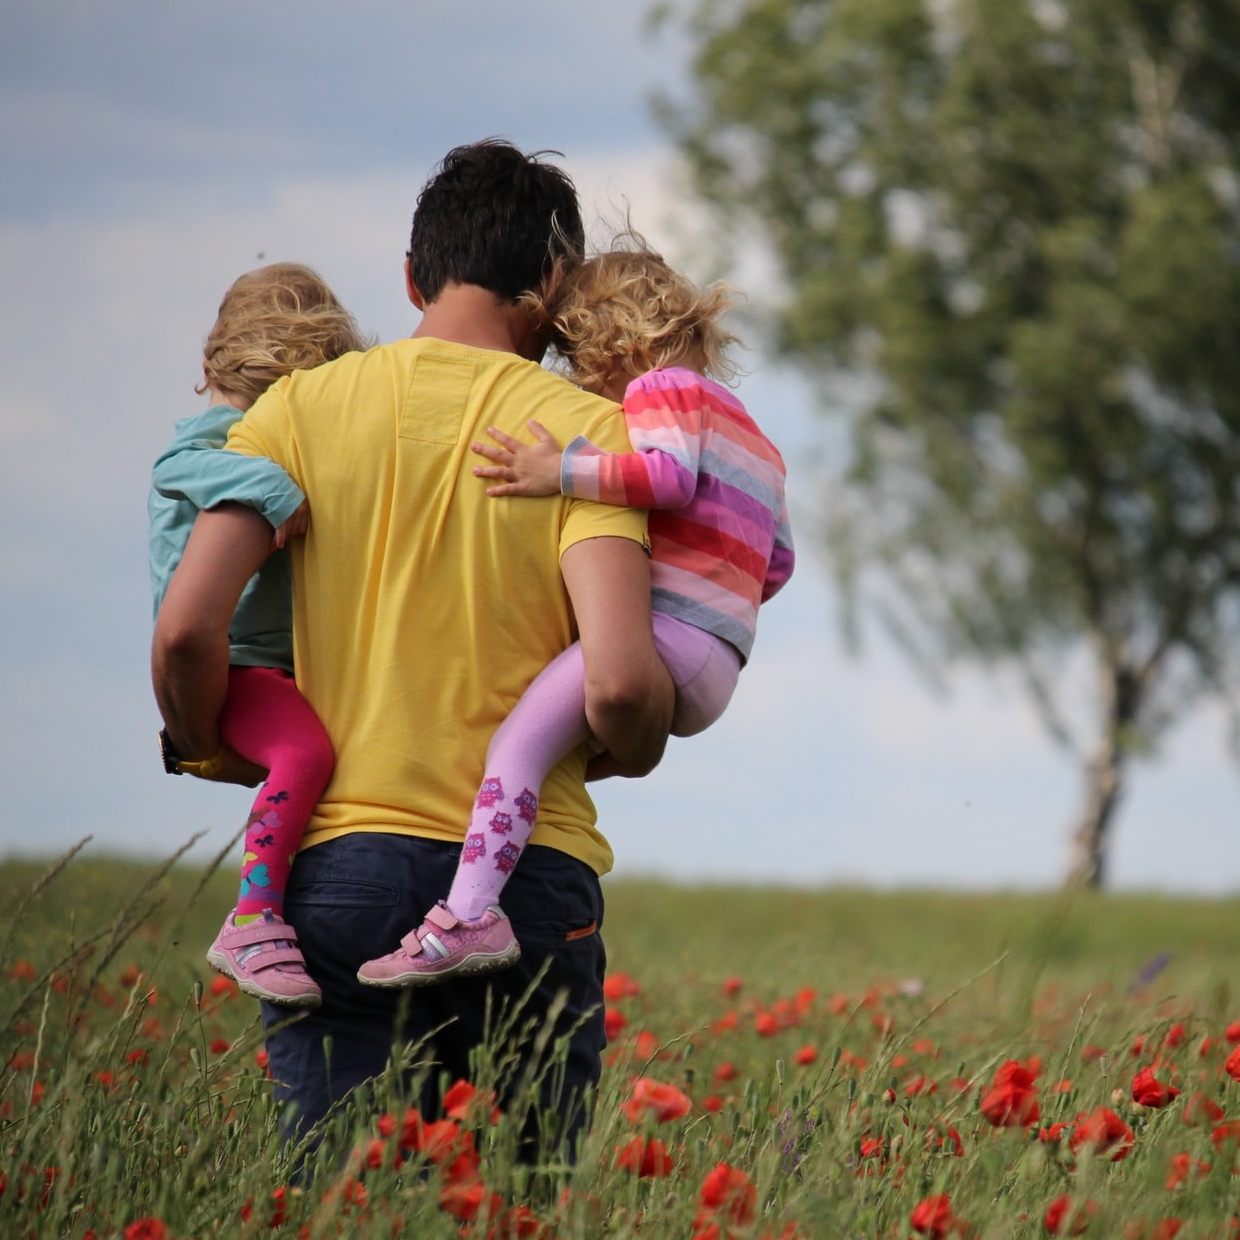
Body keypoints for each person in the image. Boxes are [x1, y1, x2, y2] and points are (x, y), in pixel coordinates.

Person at [150, 140, 675, 1148]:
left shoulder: (295, 412)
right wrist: (639, 739)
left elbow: (184, 627)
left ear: (410, 275)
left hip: (337, 868)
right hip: (526, 881)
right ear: (555, 283)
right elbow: (615, 683)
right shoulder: (587, 437)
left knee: (344, 1199)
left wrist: (210, 740)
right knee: (519, 1206)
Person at [355, 244, 795, 988]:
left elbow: (667, 478)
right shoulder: (757, 437)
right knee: (556, 751)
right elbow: (776, 564)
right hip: (720, 661)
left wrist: (556, 471)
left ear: (612, 341)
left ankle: (468, 916)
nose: (586, 383)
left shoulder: (662, 390)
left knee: (516, 749)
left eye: (579, 360)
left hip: (666, 639)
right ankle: (491, 880)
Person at [149, 263, 367, 1007]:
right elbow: (178, 466)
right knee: (305, 752)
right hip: (238, 664)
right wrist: (274, 488)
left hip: (274, 665)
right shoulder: (218, 438)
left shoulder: (249, 430)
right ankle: (254, 916)